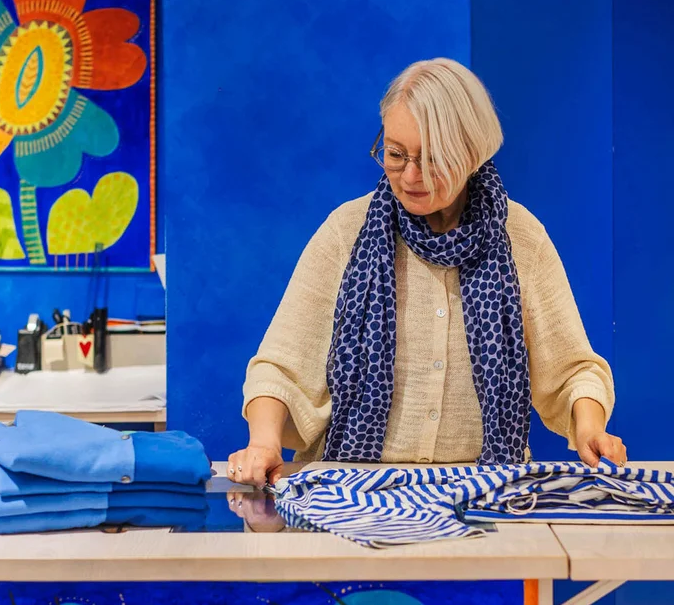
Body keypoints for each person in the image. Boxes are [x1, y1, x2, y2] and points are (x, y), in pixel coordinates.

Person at [228, 57, 626, 487]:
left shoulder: (520, 238)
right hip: (350, 489)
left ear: (472, 152)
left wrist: (590, 429)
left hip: (484, 492)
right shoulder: (347, 231)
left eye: (432, 159)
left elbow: (573, 371)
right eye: (396, 155)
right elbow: (280, 367)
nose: (410, 176)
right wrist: (265, 441)